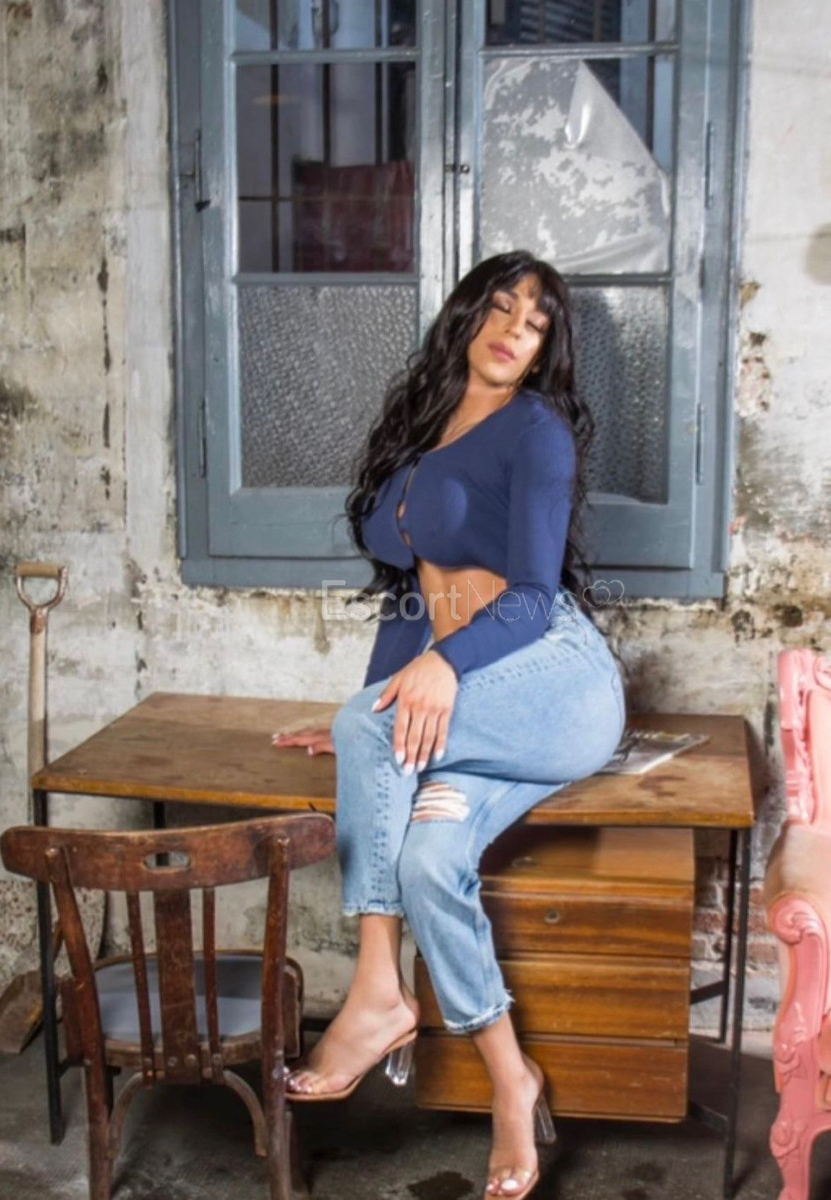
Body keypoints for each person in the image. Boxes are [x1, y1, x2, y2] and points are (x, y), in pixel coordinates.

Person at [273, 249, 627, 1198]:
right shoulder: (422, 424)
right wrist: (368, 713)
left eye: (537, 324)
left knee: (372, 731)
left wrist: (416, 686)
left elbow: (533, 598)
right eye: (502, 308)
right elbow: (410, 602)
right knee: (430, 863)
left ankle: (378, 991)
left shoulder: (536, 429)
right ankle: (514, 1082)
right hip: (472, 698)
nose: (516, 331)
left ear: (546, 349)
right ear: (468, 315)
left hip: (551, 682)